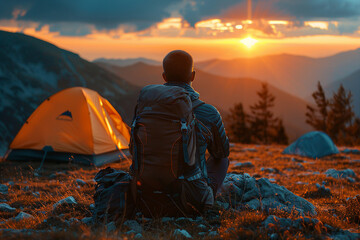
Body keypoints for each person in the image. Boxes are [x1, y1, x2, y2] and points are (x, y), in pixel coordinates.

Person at [130, 50, 229, 216]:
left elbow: (133, 148)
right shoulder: (208, 112)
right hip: (188, 200)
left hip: (143, 194)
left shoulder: (144, 108)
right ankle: (206, 198)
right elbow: (221, 152)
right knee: (222, 160)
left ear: (164, 76)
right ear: (192, 76)